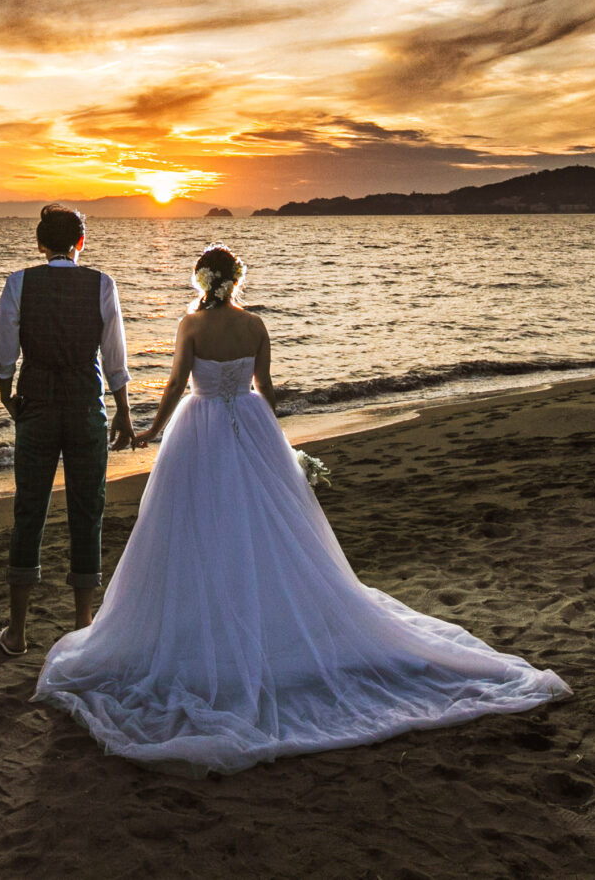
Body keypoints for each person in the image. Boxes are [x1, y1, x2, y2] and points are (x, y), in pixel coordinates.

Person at [33, 245, 567, 771]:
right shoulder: (257, 326)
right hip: (250, 421)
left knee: (195, 527)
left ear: (203, 281)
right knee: (261, 528)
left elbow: (175, 383)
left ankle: (210, 630)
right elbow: (265, 389)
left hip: (199, 430)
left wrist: (152, 427)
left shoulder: (191, 325)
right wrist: (274, 443)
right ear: (235, 280)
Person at [0, 203, 133, 655]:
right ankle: (83, 626)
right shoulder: (101, 285)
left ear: (40, 243)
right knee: (86, 512)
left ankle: (17, 631)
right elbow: (114, 357)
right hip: (85, 407)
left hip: (36, 406)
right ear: (80, 243)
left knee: (28, 512)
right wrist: (124, 410)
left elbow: (3, 344)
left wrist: (5, 391)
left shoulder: (20, 282)